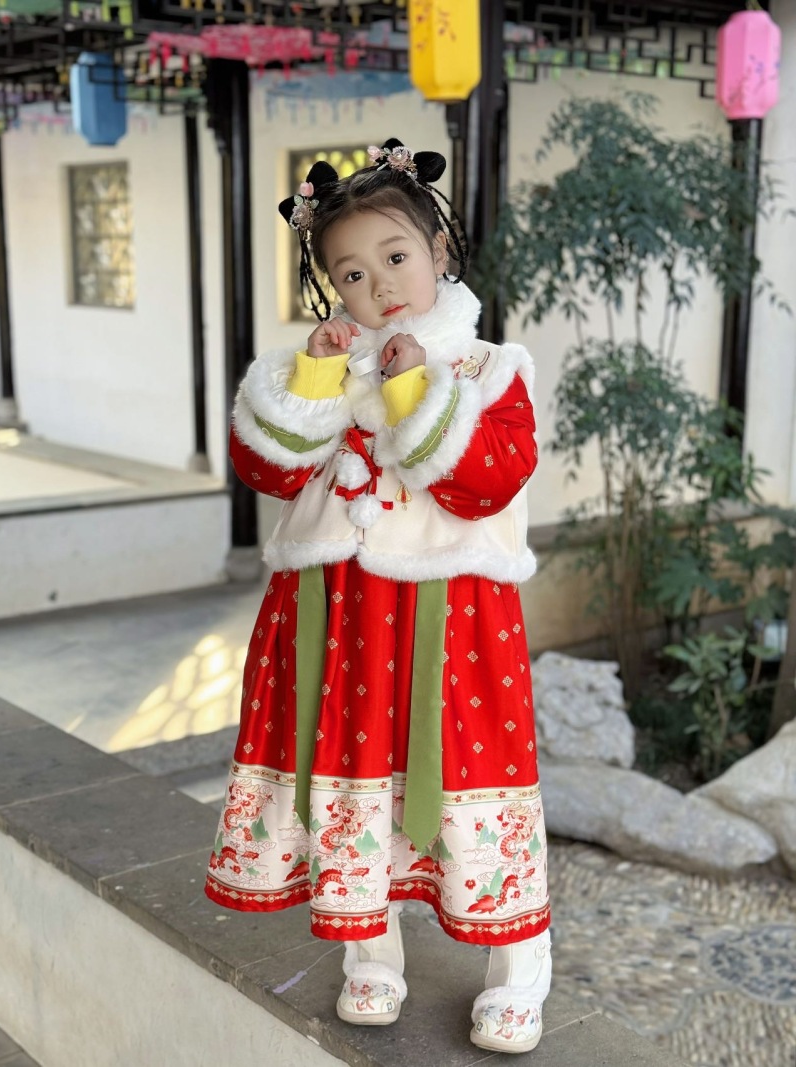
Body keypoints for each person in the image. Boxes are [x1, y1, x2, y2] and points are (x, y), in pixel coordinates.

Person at [205, 138, 551, 1054]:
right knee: (349, 778)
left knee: (473, 780)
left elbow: (488, 478)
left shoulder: (490, 369)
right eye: (352, 273)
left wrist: (410, 390)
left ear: (438, 251)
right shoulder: (324, 371)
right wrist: (317, 381)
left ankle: (521, 969)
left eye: (396, 256)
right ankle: (371, 958)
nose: (380, 284)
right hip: (337, 616)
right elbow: (267, 469)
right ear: (333, 289)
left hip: (453, 622)